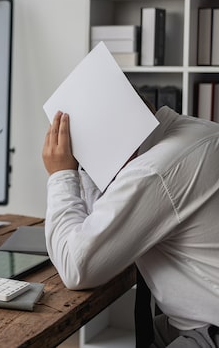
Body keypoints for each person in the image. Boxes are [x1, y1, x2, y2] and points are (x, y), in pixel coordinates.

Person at [42, 108, 219, 347]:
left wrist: (62, 174)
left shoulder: (153, 169)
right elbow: (100, 222)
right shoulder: (199, 132)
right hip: (193, 319)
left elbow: (76, 267)